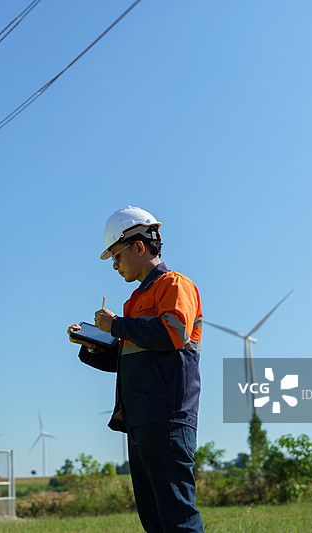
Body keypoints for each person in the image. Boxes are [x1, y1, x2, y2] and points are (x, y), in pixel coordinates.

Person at [68, 206, 204, 533]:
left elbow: (172, 332)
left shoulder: (174, 285)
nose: (114, 265)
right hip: (141, 418)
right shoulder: (135, 301)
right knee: (154, 518)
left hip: (168, 416)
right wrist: (91, 346)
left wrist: (117, 325)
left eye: (116, 257)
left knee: (177, 517)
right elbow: (128, 360)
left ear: (138, 248)